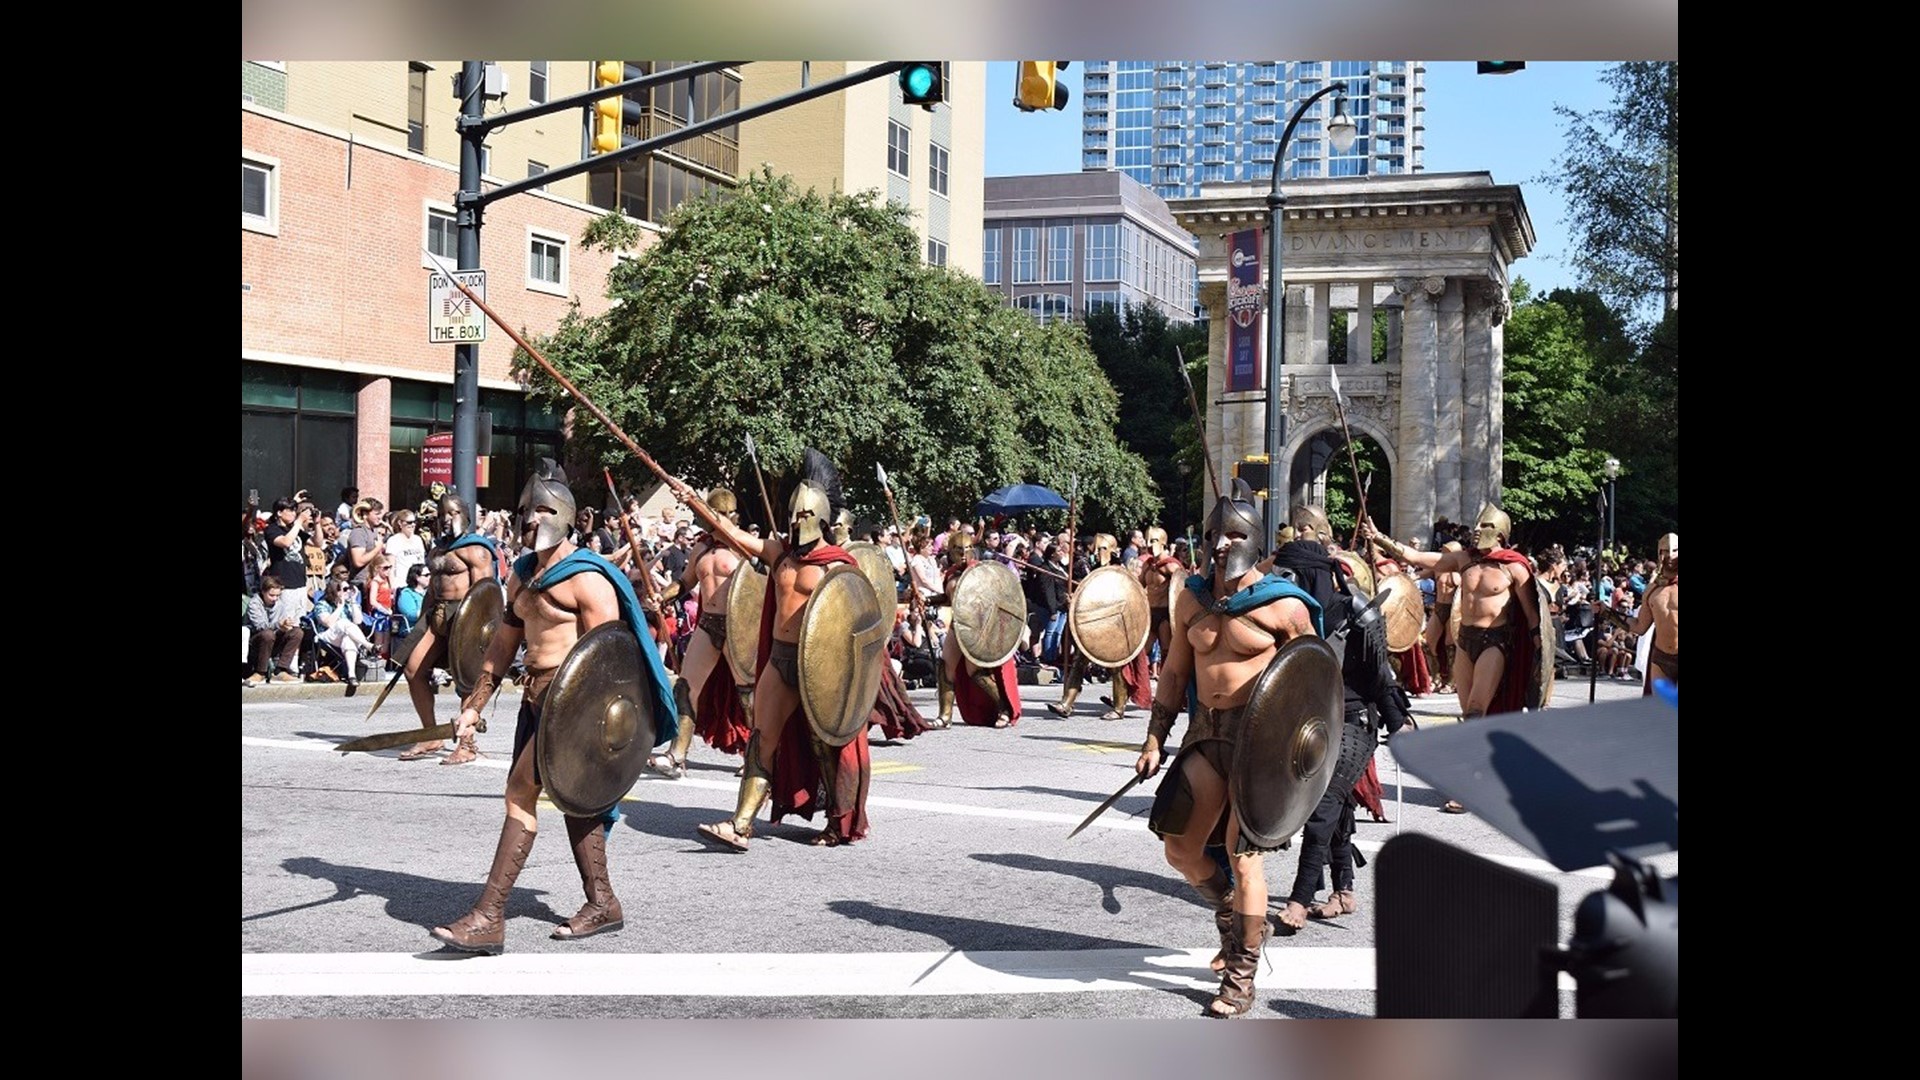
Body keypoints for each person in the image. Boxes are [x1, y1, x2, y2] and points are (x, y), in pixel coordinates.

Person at [430, 460, 678, 955]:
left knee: (520, 793)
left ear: (564, 514)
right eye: (526, 509)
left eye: (543, 510)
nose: (531, 519)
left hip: (574, 707)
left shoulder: (587, 579)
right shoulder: (522, 576)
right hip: (534, 698)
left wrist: (589, 727)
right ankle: (603, 903)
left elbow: (610, 660)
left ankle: (489, 917)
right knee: (576, 801)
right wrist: (475, 705)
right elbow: (502, 646)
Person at [1135, 480, 1324, 1018]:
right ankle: (1236, 920)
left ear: (1254, 539)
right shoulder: (1192, 599)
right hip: (1205, 733)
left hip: (1258, 745)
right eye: (1214, 534)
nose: (1221, 544)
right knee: (1180, 849)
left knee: (1245, 862)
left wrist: (1301, 762)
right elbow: (1175, 673)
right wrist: (1154, 738)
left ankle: (1241, 975)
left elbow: (1312, 684)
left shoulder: (1284, 605)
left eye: (1234, 535)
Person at [688, 448, 874, 851]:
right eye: (792, 514)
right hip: (780, 659)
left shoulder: (837, 566)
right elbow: (734, 535)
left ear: (822, 518)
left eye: (803, 515)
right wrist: (695, 503)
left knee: (824, 744)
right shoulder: (780, 555)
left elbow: (858, 627)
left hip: (819, 669)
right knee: (762, 740)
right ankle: (741, 825)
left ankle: (837, 822)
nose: (795, 521)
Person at [1266, 504, 1414, 932]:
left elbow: (1381, 676)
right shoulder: (1285, 617)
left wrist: (1399, 721)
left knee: (1324, 805)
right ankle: (1344, 890)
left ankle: (1299, 900)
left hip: (1354, 720)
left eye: (1294, 576)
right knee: (1336, 808)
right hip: (1310, 721)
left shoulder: (1355, 612)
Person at [1364, 504, 1540, 814]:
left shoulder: (1514, 567)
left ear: (1500, 533)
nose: (1476, 529)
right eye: (1477, 524)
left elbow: (1532, 616)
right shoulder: (1463, 560)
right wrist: (1379, 538)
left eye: (1484, 525)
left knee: (1476, 711)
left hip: (1496, 642)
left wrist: (1538, 654)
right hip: (1465, 641)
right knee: (1468, 716)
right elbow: (1417, 558)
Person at [398, 492, 500, 764]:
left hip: (465, 618)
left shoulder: (476, 550)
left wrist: (480, 632)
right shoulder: (437, 550)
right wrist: (421, 624)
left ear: (464, 516)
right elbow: (432, 589)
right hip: (437, 615)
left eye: (453, 513)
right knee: (413, 670)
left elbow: (485, 594)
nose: (447, 519)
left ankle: (467, 745)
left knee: (466, 680)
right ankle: (431, 735)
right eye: (443, 514)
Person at [652, 488, 746, 779]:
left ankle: (757, 760)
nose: (723, 519)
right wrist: (662, 596)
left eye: (727, 515)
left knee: (750, 695)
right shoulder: (701, 549)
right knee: (685, 688)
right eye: (718, 514)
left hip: (739, 627)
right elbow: (685, 582)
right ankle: (677, 755)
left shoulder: (744, 547)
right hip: (708, 624)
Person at [935, 530, 1022, 728]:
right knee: (946, 665)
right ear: (951, 551)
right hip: (957, 624)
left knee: (974, 671)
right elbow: (948, 599)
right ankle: (945, 715)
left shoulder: (980, 572)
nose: (963, 554)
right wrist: (926, 600)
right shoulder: (951, 573)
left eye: (967, 549)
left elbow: (995, 599)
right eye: (958, 550)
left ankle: (1003, 708)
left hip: (977, 627)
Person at [1632, 532, 1678, 692]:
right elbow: (1639, 626)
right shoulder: (1652, 589)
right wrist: (1606, 612)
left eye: (1675, 550)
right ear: (1659, 553)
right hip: (1661, 658)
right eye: (1665, 551)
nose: (1670, 555)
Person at [312, 575, 374, 692]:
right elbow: (328, 623)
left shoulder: (349, 604)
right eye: (345, 589)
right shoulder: (322, 604)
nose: (348, 591)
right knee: (344, 622)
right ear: (335, 591)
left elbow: (358, 621)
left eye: (349, 588)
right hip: (327, 636)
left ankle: (351, 675)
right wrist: (339, 607)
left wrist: (354, 602)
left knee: (349, 640)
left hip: (346, 636)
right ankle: (368, 645)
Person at [245, 575, 307, 685]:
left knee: (297, 633)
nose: (275, 599)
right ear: (263, 592)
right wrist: (278, 625)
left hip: (274, 637)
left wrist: (285, 627)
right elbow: (260, 626)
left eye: (277, 595)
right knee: (267, 634)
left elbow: (280, 626)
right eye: (271, 595)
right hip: (257, 640)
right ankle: (260, 672)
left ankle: (280, 670)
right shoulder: (254, 604)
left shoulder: (280, 604)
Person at [383, 509, 426, 596]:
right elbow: (390, 567)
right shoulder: (393, 541)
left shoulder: (418, 539)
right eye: (409, 522)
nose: (413, 525)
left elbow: (422, 561)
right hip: (402, 585)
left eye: (414, 522)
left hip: (419, 585)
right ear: (400, 523)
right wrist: (392, 587)